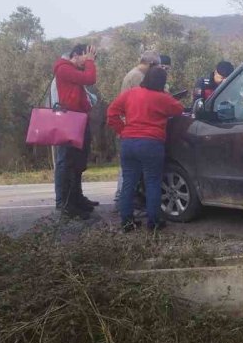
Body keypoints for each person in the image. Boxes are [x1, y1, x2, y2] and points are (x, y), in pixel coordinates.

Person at [107, 67, 184, 231]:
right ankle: (153, 222)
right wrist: (166, 95)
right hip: (151, 144)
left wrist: (122, 130)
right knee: (153, 182)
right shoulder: (163, 98)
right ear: (162, 82)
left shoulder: (131, 93)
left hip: (128, 143)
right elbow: (179, 109)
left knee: (129, 183)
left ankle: (127, 222)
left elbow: (112, 112)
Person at [53, 44, 99, 219]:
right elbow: (90, 78)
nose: (88, 61)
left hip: (78, 118)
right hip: (69, 119)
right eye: (86, 57)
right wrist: (90, 63)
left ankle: (77, 198)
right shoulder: (63, 68)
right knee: (67, 162)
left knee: (78, 161)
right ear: (76, 55)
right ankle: (66, 203)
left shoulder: (70, 70)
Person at [114, 50, 160, 211]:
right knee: (138, 177)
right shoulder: (138, 77)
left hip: (129, 132)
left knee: (129, 174)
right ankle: (127, 202)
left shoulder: (132, 74)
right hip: (137, 131)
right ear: (151, 64)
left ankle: (125, 213)